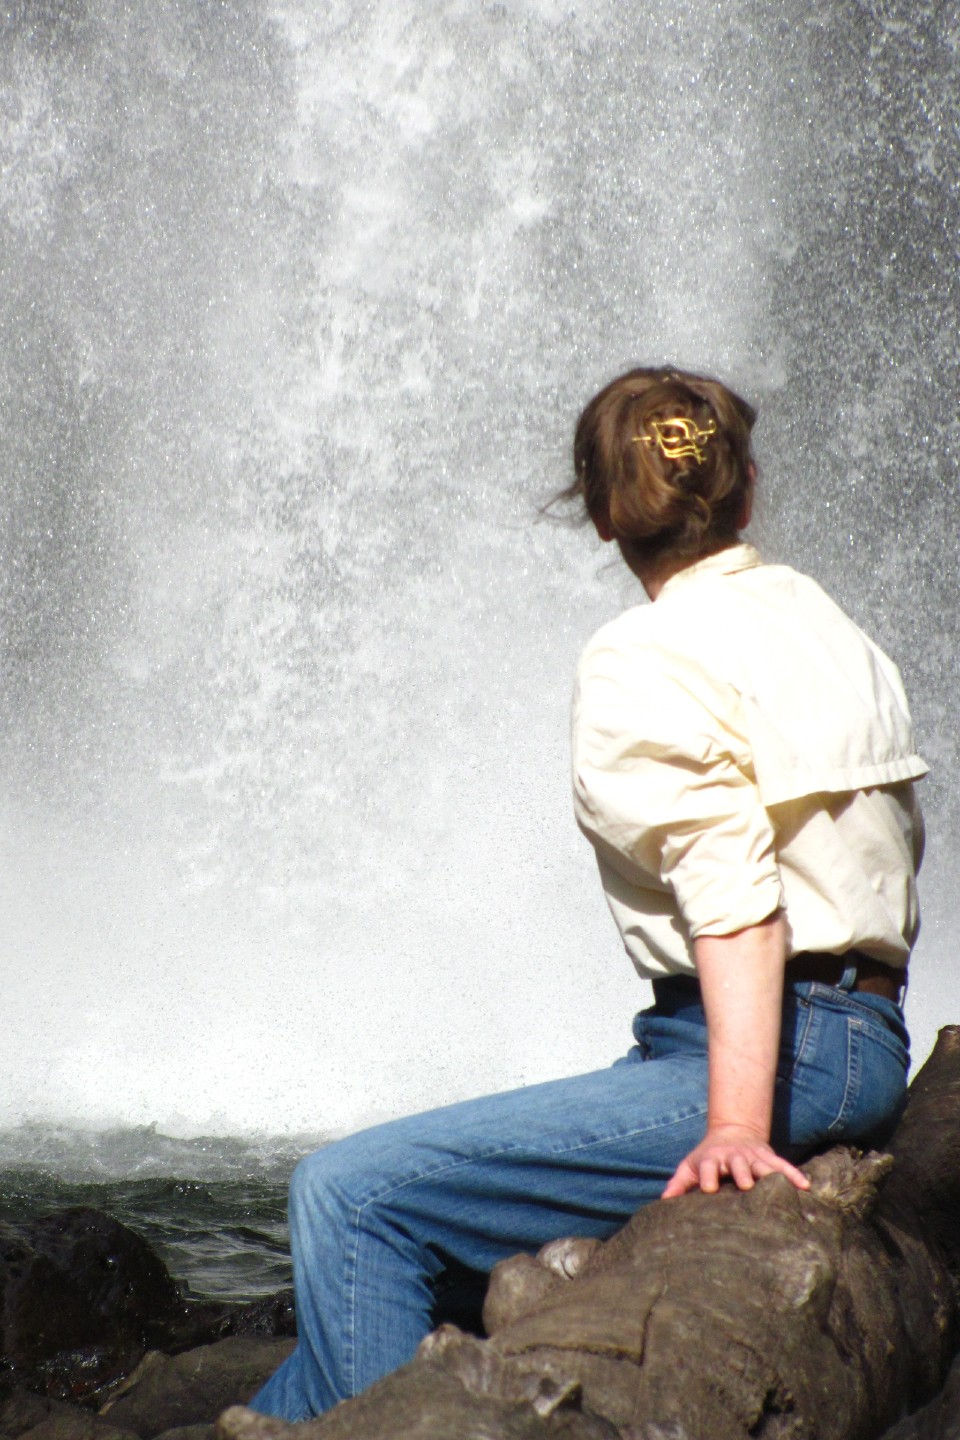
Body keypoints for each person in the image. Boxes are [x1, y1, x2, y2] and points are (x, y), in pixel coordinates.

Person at [250, 365, 926, 1421]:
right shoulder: (825, 623)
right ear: (744, 489)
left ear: (606, 517)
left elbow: (735, 896)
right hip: (861, 1033)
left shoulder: (641, 659)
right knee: (371, 1323)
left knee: (349, 1200)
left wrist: (736, 1124)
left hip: (763, 1047)